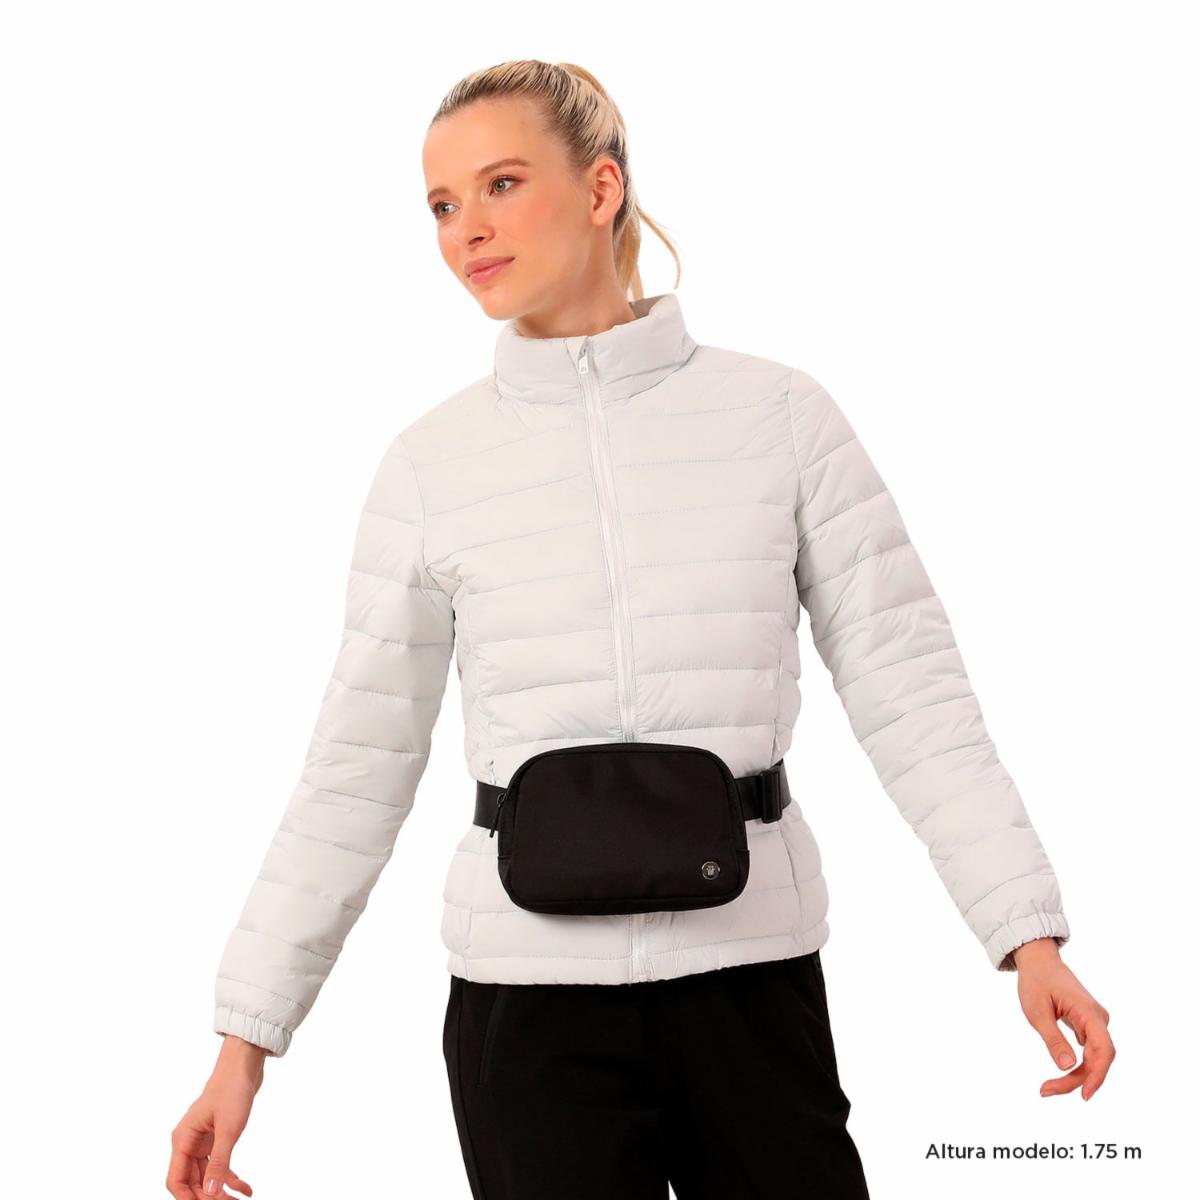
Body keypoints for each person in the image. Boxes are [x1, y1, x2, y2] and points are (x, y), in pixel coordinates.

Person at [168, 59, 1115, 1200]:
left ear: (601, 186)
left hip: (750, 982)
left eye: (502, 184)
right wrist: (246, 1041)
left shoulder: (780, 417)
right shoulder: (430, 466)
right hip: (526, 1014)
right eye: (442, 205)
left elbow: (912, 691)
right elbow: (354, 768)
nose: (468, 230)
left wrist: (1025, 932)